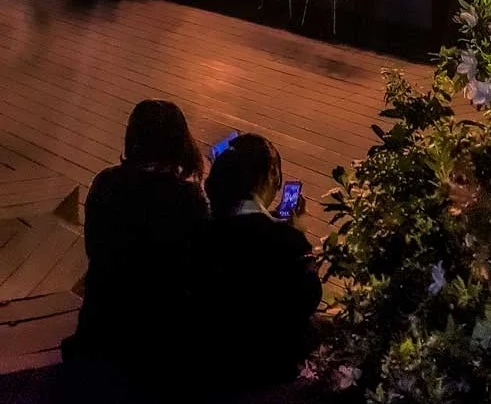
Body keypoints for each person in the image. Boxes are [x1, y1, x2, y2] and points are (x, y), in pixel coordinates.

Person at [65, 101, 209, 386]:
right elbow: (197, 268)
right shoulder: (189, 199)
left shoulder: (105, 183)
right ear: (180, 143)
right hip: (161, 337)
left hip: (102, 325)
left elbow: (95, 248)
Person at [203, 134, 322, 389]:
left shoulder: (201, 229)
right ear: (269, 177)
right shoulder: (284, 241)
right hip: (269, 369)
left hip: (212, 361)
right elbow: (308, 297)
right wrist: (298, 235)